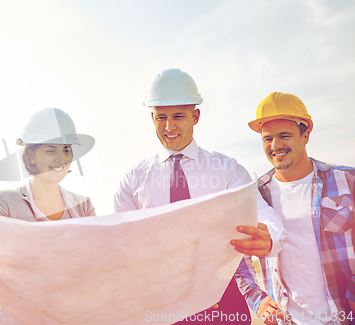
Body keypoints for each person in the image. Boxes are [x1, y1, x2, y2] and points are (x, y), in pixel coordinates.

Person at [114, 69, 286, 324]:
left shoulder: (226, 170)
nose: (169, 127)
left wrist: (269, 236)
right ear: (152, 118)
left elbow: (260, 211)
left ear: (195, 116)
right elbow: (122, 247)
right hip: (161, 307)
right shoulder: (131, 182)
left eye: (178, 116)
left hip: (224, 303)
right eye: (161, 117)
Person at [0, 107, 96, 325]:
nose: (61, 158)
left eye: (66, 149)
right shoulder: (6, 203)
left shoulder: (83, 207)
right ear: (30, 154)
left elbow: (100, 260)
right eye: (51, 150)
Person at [237, 92, 355, 325]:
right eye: (267, 138)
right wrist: (257, 300)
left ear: (306, 135)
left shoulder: (348, 181)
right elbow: (238, 262)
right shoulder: (253, 197)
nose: (275, 145)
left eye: (284, 136)